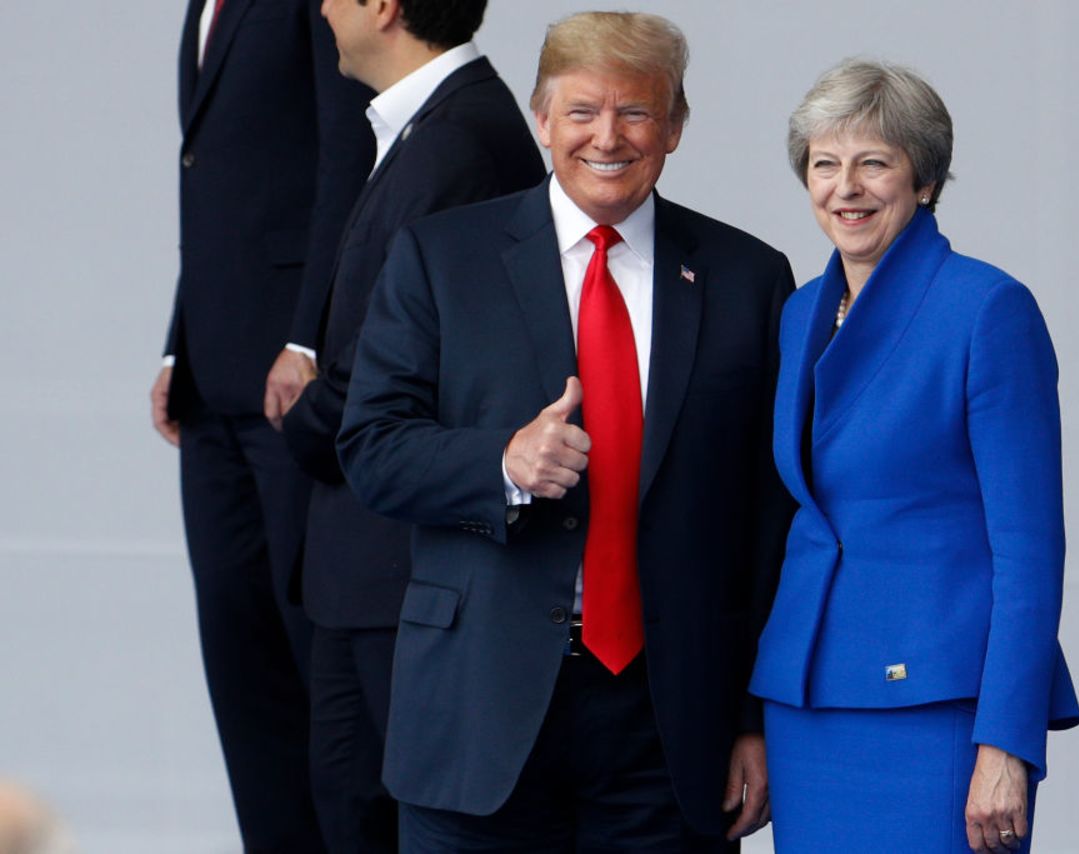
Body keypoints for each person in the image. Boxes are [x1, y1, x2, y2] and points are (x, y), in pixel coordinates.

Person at [336, 11, 795, 851]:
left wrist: (753, 720)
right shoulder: (442, 257)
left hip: (670, 730)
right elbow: (370, 448)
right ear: (542, 119)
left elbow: (770, 520)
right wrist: (500, 462)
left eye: (636, 113)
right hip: (479, 713)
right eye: (581, 112)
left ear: (675, 127)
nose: (607, 137)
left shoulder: (748, 278)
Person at [748, 59, 1079, 853]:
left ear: (924, 181)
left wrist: (1007, 741)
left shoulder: (986, 308)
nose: (846, 187)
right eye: (825, 165)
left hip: (939, 708)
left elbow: (1030, 548)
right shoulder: (800, 313)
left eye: (874, 162)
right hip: (808, 701)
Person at [279, 0, 545, 849]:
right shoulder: (433, 127)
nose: (321, 6)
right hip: (372, 569)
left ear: (387, 6)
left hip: (398, 568)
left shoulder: (454, 142)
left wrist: (299, 420)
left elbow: (390, 364)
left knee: (380, 818)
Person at [147, 1, 373, 849]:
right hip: (212, 381)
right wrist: (181, 347)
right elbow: (215, 184)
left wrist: (306, 334)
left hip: (291, 385)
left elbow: (346, 152)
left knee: (312, 660)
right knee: (239, 664)